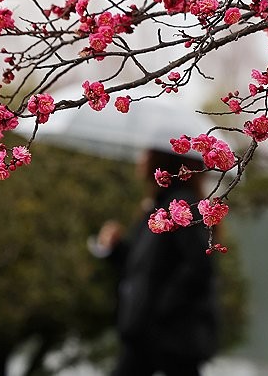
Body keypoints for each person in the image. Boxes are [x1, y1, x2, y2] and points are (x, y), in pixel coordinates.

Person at [93, 149, 220, 376]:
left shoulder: (180, 206)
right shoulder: (159, 206)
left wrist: (161, 305)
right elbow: (145, 268)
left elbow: (199, 266)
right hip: (149, 329)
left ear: (163, 161)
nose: (140, 160)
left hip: (169, 333)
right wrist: (116, 250)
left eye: (145, 154)